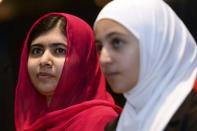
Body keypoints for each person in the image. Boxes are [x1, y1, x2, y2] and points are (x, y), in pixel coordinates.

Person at [94, 0, 197, 131]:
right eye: (99, 47)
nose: (103, 59)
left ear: (156, 43)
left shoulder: (191, 116)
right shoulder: (116, 125)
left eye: (117, 42)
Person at [14, 12, 121, 131]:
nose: (44, 60)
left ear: (84, 61)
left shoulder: (100, 121)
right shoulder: (32, 120)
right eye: (37, 51)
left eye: (59, 50)